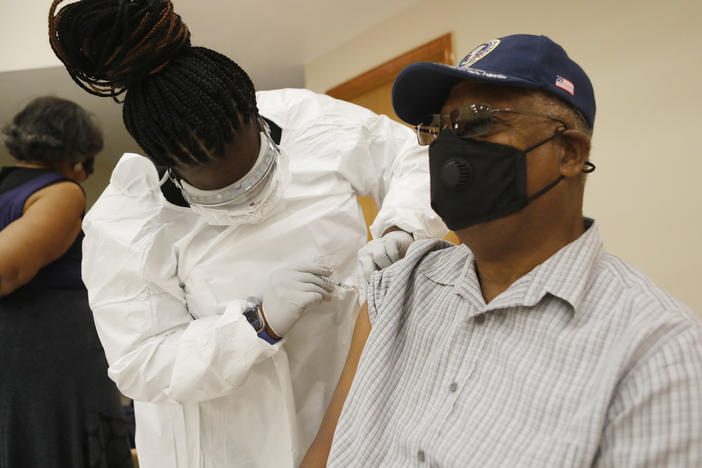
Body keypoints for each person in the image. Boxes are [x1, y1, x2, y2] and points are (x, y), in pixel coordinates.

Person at [47, 0, 447, 467]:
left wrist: (401, 227)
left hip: (349, 401)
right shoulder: (126, 220)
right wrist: (256, 325)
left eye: (258, 174)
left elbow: (411, 158)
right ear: (171, 174)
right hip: (228, 439)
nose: (252, 200)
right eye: (226, 194)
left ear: (261, 123)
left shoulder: (307, 120)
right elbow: (141, 364)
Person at [303, 34, 702, 467]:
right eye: (439, 128)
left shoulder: (658, 351)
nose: (449, 149)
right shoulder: (399, 287)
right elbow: (325, 452)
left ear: (569, 152)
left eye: (477, 121)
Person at [0, 96, 133, 468]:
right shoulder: (60, 190)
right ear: (79, 152)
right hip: (48, 362)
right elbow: (5, 270)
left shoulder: (7, 186)